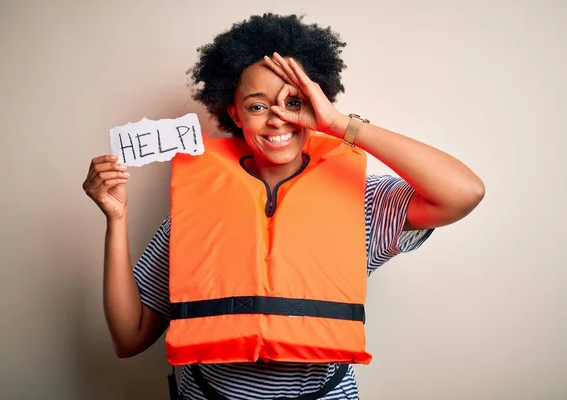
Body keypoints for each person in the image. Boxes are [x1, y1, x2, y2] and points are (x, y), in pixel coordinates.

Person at [82, 13, 484, 400]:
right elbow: (129, 336)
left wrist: (341, 124)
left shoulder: (365, 201)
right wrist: (116, 218)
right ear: (235, 113)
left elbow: (464, 192)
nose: (277, 119)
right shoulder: (194, 211)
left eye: (294, 102)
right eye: (258, 106)